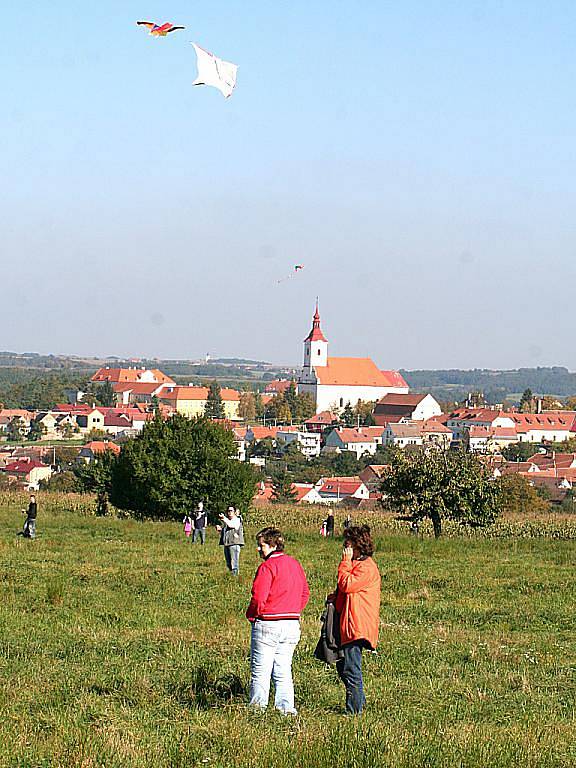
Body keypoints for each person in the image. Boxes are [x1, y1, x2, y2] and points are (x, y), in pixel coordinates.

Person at [246, 527, 310, 715]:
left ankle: (257, 709)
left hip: (268, 623)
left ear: (273, 545)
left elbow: (259, 597)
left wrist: (252, 615)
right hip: (291, 624)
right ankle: (286, 709)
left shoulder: (267, 567)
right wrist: (293, 610)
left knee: (261, 669)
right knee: (283, 668)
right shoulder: (294, 564)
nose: (259, 550)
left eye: (261, 546)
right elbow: (305, 593)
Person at [330, 525, 380, 715]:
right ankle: (358, 702)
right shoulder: (358, 565)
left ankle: (354, 711)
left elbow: (347, 584)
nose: (345, 547)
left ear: (357, 545)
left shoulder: (366, 567)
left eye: (348, 544)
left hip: (357, 624)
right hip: (349, 622)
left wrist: (344, 562)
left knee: (351, 669)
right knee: (343, 666)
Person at [216, 506, 244, 575]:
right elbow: (227, 531)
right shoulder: (227, 521)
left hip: (234, 543)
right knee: (228, 563)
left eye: (231, 511)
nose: (229, 512)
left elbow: (231, 525)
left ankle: (235, 577)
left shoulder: (237, 519)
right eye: (228, 511)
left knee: (234, 563)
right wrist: (220, 529)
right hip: (227, 544)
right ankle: (231, 576)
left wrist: (223, 518)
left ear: (234, 512)